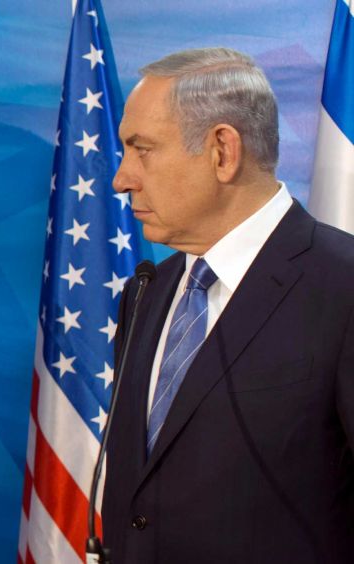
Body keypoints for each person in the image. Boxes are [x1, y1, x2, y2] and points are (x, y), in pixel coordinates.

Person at [104, 47, 354, 563]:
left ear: (222, 150)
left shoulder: (343, 287)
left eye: (141, 149)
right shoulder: (147, 290)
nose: (122, 178)